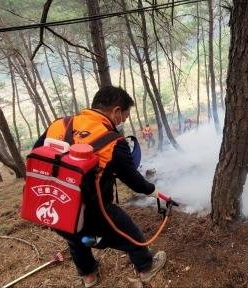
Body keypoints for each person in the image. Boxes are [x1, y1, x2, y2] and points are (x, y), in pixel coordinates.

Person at [32, 86, 166, 287]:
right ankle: (146, 268)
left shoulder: (60, 124)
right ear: (116, 111)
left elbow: (37, 153)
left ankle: (88, 275)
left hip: (54, 202)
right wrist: (155, 192)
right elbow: (134, 181)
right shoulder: (113, 141)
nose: (122, 123)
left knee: (73, 236)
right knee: (130, 233)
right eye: (124, 118)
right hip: (93, 211)